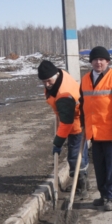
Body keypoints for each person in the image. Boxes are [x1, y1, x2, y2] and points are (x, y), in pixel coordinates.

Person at [79, 46, 112, 212]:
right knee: (100, 167)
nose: (98, 62)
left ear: (107, 61)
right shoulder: (85, 79)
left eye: (102, 59)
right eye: (95, 59)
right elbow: (82, 104)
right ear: (91, 62)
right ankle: (103, 195)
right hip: (94, 132)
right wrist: (82, 126)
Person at [37, 60, 89, 197]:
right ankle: (82, 181)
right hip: (74, 117)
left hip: (76, 124)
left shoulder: (64, 94)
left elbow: (66, 123)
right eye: (43, 82)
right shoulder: (60, 74)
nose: (46, 85)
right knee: (79, 153)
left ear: (55, 75)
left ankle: (81, 187)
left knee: (74, 156)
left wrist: (57, 143)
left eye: (48, 81)